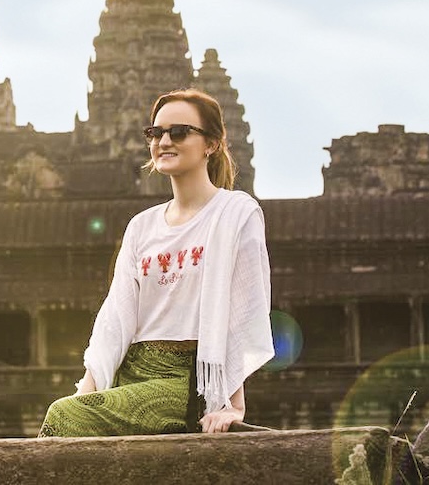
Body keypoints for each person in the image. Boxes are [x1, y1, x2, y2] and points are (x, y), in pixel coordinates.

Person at [38, 88, 273, 437]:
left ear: (211, 143)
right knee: (67, 412)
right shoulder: (141, 225)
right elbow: (116, 318)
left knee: (64, 417)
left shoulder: (235, 213)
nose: (164, 140)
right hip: (131, 372)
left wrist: (230, 404)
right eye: (155, 133)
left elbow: (243, 309)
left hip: (185, 381)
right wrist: (85, 392)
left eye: (178, 132)